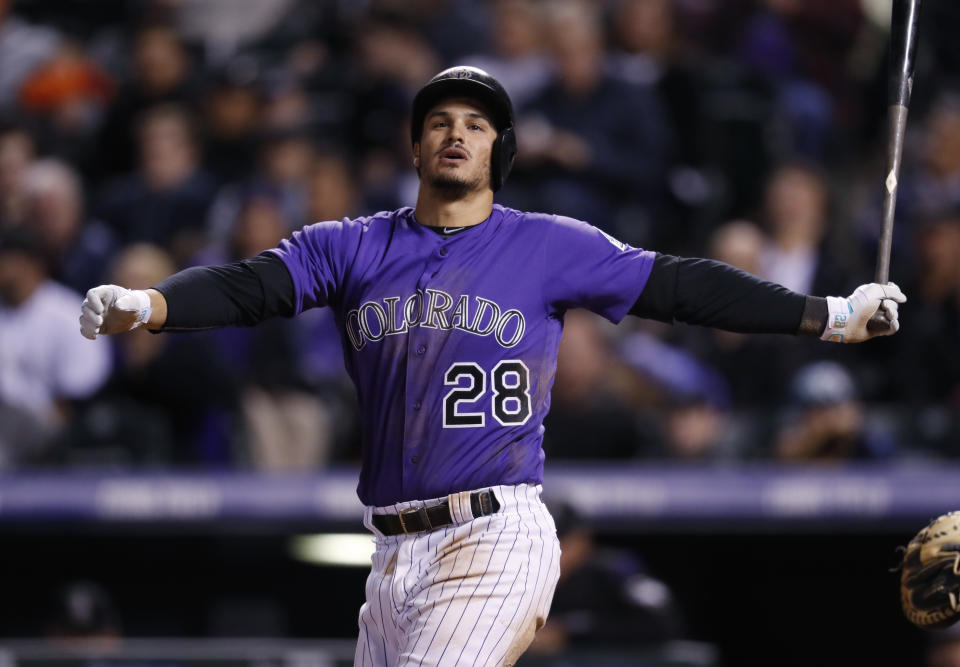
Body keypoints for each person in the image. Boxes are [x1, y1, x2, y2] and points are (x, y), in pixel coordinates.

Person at [79, 66, 905, 667]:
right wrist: (152, 304)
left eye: (476, 123)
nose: (456, 132)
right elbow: (252, 284)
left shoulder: (547, 243)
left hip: (494, 531)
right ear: (414, 143)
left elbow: (681, 285)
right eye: (440, 119)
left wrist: (828, 315)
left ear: (498, 150)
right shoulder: (353, 244)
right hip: (392, 555)